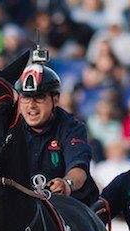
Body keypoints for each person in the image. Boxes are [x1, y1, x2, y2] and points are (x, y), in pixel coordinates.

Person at [15, 59, 100, 206]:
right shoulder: (9, 127)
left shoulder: (73, 127)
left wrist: (67, 183)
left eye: (39, 97)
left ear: (55, 100)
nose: (31, 105)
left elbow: (78, 169)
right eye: (26, 98)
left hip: (70, 205)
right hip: (24, 206)